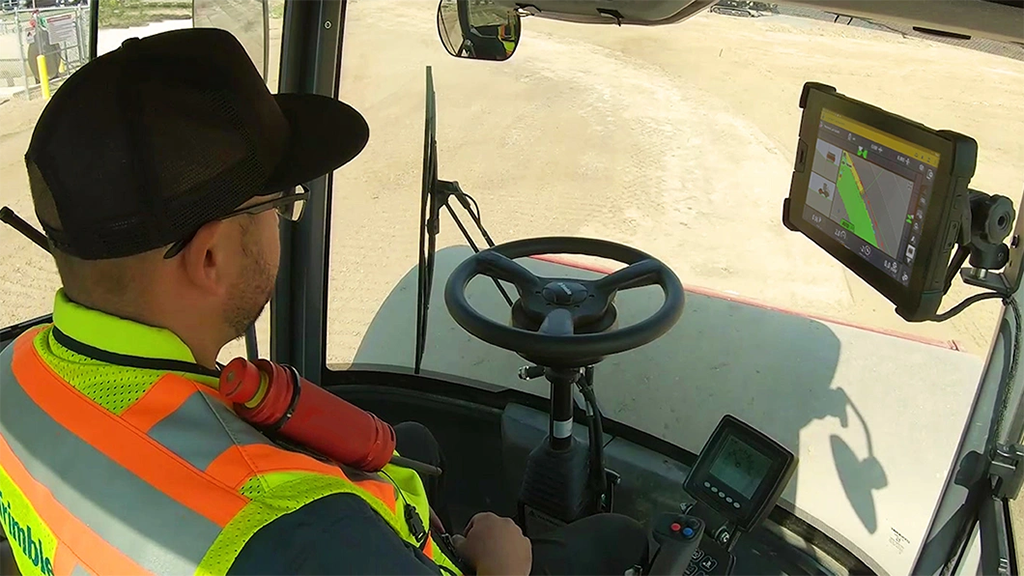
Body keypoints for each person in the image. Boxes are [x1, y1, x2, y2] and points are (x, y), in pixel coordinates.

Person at [0, 28, 649, 575]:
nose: (285, 220)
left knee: (412, 442)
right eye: (280, 206)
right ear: (210, 258)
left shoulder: (16, 372)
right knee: (620, 542)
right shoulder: (303, 537)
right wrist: (505, 567)